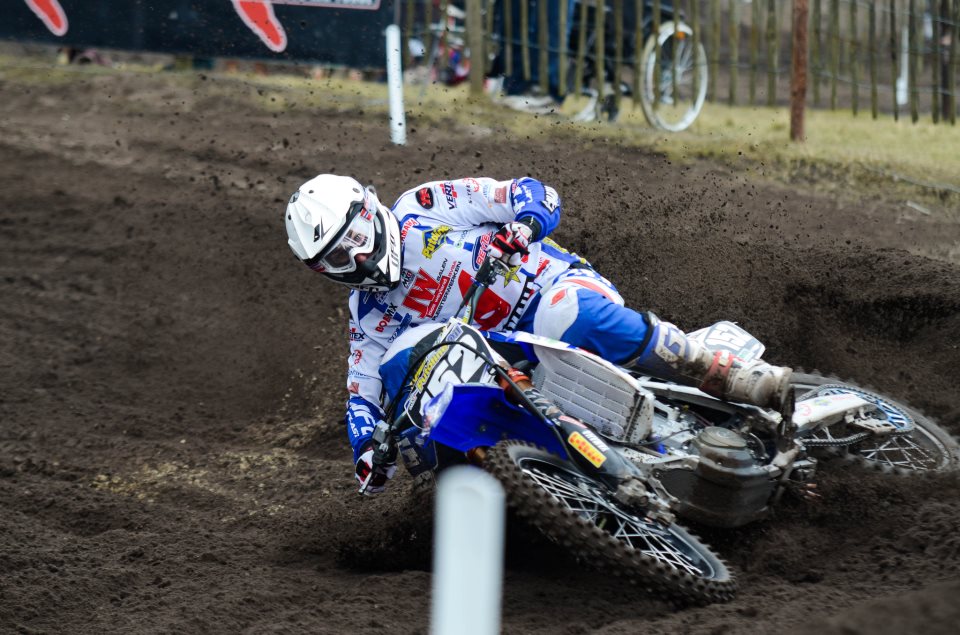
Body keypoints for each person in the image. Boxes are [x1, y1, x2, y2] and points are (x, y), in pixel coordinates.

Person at [285, 175, 793, 494]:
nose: (357, 259)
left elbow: (532, 193)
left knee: (560, 315)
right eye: (337, 259)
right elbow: (363, 397)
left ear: (370, 211)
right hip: (505, 366)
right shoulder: (368, 316)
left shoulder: (423, 208)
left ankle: (718, 371)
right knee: (419, 393)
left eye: (354, 239)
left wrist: (524, 226)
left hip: (555, 291)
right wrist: (369, 453)